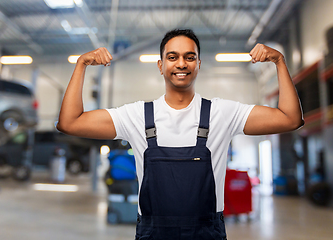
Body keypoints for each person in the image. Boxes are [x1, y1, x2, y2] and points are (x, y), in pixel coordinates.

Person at [57, 29, 304, 240]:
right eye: (172, 57)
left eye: (189, 57)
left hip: (207, 232)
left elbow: (290, 119)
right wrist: (81, 65)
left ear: (198, 64)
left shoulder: (223, 112)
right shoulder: (137, 115)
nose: (181, 64)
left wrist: (280, 61)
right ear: (161, 65)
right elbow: (70, 123)